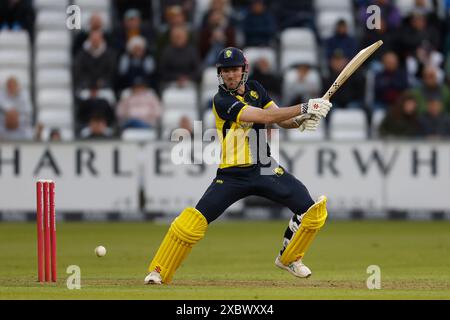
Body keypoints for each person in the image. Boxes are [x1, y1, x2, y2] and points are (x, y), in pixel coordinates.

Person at [144, 47, 332, 285]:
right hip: (232, 174)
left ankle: (290, 258)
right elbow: (263, 118)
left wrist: (303, 120)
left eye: (234, 70)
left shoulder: (256, 89)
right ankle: (158, 271)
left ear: (244, 70)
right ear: (219, 74)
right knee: (193, 222)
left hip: (265, 168)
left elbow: (281, 120)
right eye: (225, 71)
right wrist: (305, 107)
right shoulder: (221, 100)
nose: (230, 76)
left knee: (311, 210)